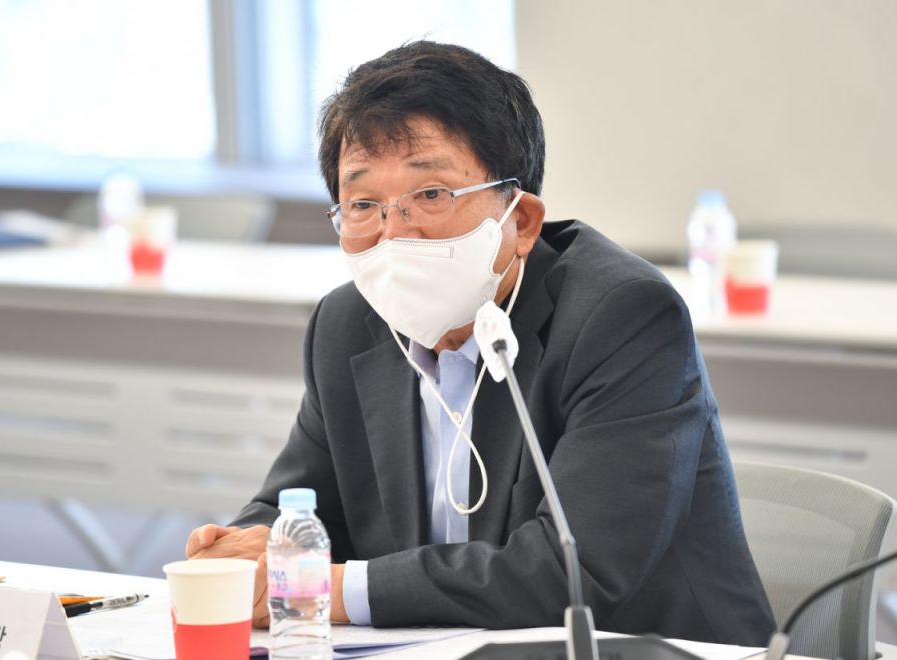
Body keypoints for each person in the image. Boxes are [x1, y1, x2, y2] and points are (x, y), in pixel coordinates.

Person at [185, 40, 775, 645]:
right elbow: (298, 506)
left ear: (521, 221)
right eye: (363, 203)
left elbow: (572, 573)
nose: (394, 234)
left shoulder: (622, 316)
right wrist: (245, 551)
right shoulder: (346, 325)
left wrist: (323, 587)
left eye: (430, 195)